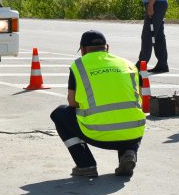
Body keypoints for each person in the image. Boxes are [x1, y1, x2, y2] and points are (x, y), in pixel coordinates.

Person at [50, 30, 146, 177]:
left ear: (82, 50)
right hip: (133, 134)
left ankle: (86, 165)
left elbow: (72, 102)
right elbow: (139, 99)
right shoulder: (129, 64)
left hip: (98, 134)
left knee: (59, 114)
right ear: (107, 47)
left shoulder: (79, 66)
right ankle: (129, 152)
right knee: (128, 115)